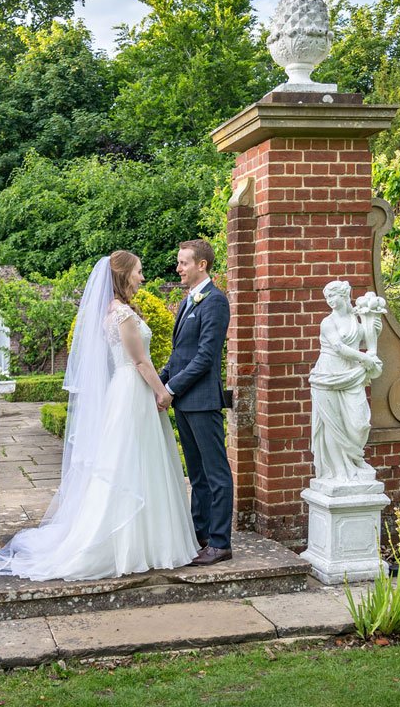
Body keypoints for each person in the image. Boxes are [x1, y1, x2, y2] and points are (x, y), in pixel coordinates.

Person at [0, 251, 198, 581]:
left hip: (126, 390)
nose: (142, 278)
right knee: (132, 462)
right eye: (139, 272)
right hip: (133, 390)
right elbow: (140, 362)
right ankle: (127, 544)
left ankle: (142, 542)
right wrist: (163, 392)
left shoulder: (112, 312)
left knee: (132, 463)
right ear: (124, 275)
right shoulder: (122, 315)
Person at [159, 240, 233, 565]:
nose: (178, 269)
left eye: (183, 263)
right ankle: (200, 535)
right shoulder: (187, 301)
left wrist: (171, 388)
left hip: (202, 402)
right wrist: (156, 381)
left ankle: (220, 543)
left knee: (216, 473)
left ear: (201, 264)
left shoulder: (215, 301)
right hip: (184, 402)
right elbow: (180, 355)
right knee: (197, 475)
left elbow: (205, 357)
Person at [308, 281, 384, 482]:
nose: (330, 301)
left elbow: (368, 342)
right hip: (327, 377)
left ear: (344, 295)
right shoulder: (327, 323)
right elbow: (340, 348)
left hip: (351, 376)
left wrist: (375, 329)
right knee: (333, 427)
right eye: (328, 297)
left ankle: (356, 458)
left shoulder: (356, 318)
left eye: (334, 296)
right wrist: (365, 359)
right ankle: (339, 471)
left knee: (360, 423)